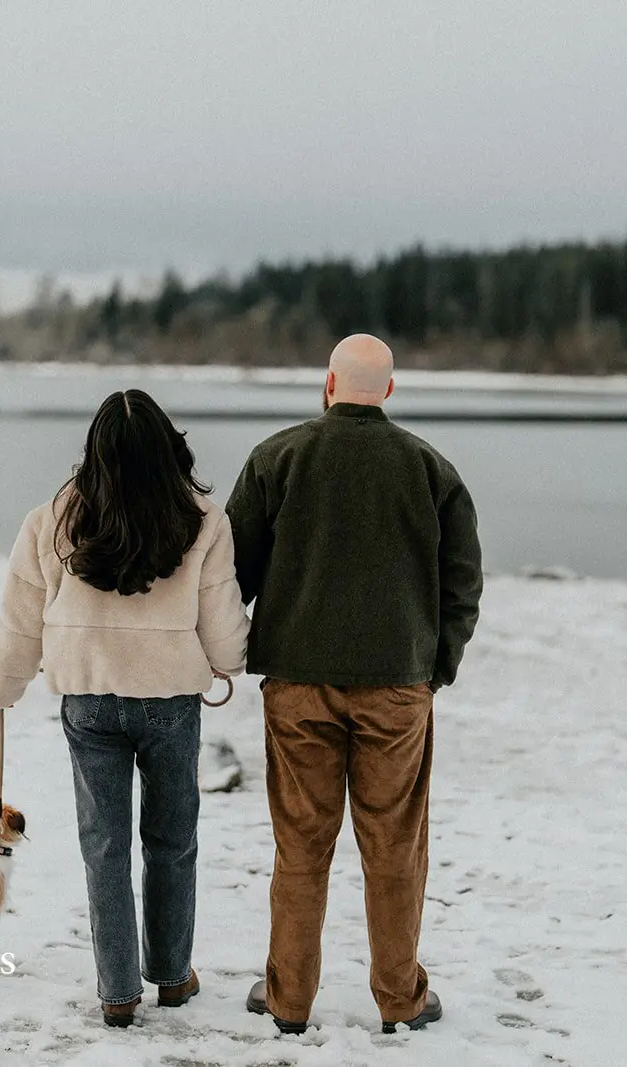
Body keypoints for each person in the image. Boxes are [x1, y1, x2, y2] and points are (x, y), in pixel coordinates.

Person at [226, 333, 483, 1034]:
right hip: (397, 686)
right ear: (390, 391)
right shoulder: (431, 468)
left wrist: (238, 648)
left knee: (302, 846)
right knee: (394, 848)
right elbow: (462, 581)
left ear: (327, 385)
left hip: (298, 684)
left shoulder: (277, 457)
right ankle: (400, 999)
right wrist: (437, 667)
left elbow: (232, 575)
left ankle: (288, 1000)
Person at [0, 389, 249, 1028]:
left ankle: (118, 990)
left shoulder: (51, 519)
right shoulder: (202, 518)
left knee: (104, 846)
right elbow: (222, 619)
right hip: (172, 701)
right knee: (173, 840)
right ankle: (173, 976)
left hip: (89, 700)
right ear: (168, 449)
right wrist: (229, 661)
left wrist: (3, 686)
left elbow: (19, 622)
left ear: (93, 452)